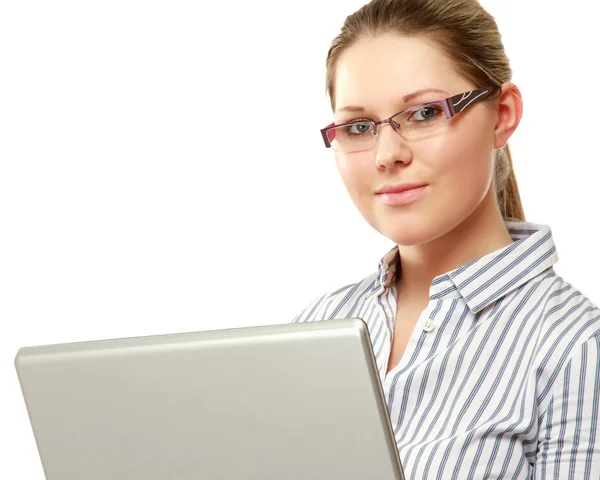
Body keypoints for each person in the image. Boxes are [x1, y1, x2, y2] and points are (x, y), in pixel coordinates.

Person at [292, 0, 600, 478]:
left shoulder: (574, 347)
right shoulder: (316, 326)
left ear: (502, 114)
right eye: (358, 126)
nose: (387, 154)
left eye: (423, 113)